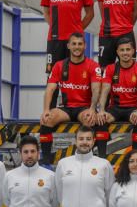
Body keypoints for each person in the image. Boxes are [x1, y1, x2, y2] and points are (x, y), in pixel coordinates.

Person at [40, 32, 99, 164]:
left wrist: (92, 109)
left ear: (85, 46)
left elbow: (96, 89)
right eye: (74, 44)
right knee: (46, 120)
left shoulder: (92, 66)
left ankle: (89, 157)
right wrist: (46, 110)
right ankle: (46, 159)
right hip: (66, 108)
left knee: (90, 119)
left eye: (80, 44)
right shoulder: (59, 65)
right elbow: (50, 89)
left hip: (84, 108)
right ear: (68, 46)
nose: (77, 47)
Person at [41, 0, 94, 86]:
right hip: (55, 40)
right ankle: (50, 107)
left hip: (74, 41)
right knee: (52, 77)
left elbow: (90, 13)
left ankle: (73, 107)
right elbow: (46, 11)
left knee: (75, 76)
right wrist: (53, 26)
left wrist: (77, 31)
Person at [92, 36, 137, 157]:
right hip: (115, 109)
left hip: (132, 109)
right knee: (101, 120)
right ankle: (102, 157)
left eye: (128, 49)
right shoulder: (110, 68)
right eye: (122, 50)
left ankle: (135, 155)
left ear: (133, 51)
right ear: (117, 52)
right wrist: (101, 110)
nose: (125, 53)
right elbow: (104, 91)